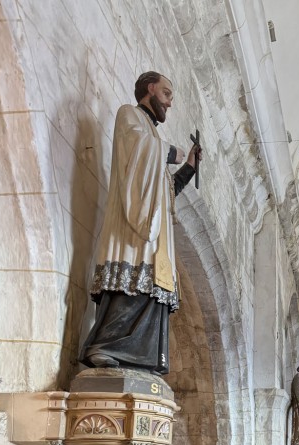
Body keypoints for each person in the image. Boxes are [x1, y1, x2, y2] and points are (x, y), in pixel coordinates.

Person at [80, 71, 202, 374]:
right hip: (133, 229)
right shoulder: (130, 116)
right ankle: (105, 348)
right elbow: (138, 149)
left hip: (154, 234)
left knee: (152, 291)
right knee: (130, 288)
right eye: (167, 94)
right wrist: (172, 152)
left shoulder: (152, 136)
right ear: (150, 88)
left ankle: (144, 359)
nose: (169, 103)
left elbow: (166, 192)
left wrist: (188, 167)